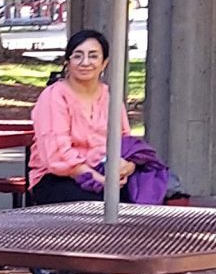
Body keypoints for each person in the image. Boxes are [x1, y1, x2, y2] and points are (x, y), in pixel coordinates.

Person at [28, 29, 167, 205]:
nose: (85, 62)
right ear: (67, 63)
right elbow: (57, 156)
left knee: (153, 195)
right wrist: (100, 180)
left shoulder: (110, 97)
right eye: (78, 56)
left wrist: (127, 167)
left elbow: (125, 142)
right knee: (105, 206)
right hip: (59, 177)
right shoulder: (54, 96)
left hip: (106, 172)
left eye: (93, 56)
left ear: (104, 63)